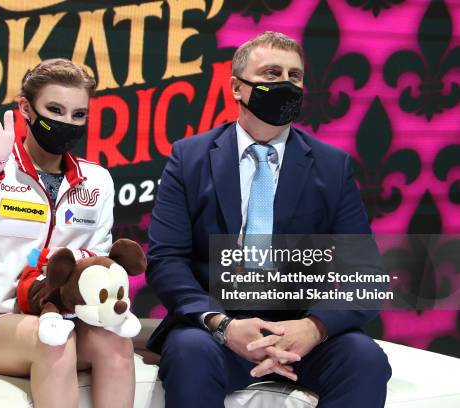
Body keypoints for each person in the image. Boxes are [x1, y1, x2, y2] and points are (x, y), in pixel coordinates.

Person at [146, 32, 392, 407]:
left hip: (300, 333)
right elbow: (166, 260)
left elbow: (364, 271)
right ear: (237, 88)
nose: (286, 84)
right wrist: (224, 326)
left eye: (295, 77)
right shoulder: (189, 158)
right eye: (272, 73)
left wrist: (313, 327)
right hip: (216, 330)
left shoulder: (331, 165)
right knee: (189, 353)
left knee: (365, 359)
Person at [0, 58, 135, 408]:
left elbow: (99, 261)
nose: (66, 122)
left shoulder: (98, 180)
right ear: (26, 108)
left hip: (69, 319)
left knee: (116, 342)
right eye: (55, 109)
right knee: (54, 340)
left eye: (78, 115)